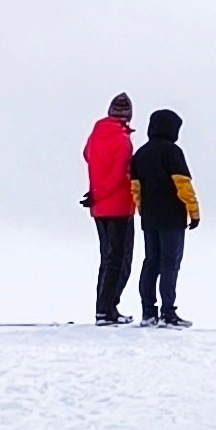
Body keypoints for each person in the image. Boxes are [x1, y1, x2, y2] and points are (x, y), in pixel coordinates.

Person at [127, 106, 199, 326]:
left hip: (150, 217)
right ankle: (168, 313)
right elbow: (183, 184)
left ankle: (148, 312)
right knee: (170, 264)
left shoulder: (140, 154)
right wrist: (193, 212)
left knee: (151, 263)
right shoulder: (172, 152)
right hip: (172, 218)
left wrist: (142, 211)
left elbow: (135, 188)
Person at [82, 93, 137, 324]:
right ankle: (107, 309)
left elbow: (86, 155)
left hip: (99, 208)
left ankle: (103, 308)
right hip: (119, 207)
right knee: (119, 260)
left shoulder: (95, 135)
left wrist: (95, 194)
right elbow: (118, 176)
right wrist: (100, 193)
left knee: (106, 258)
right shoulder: (122, 141)